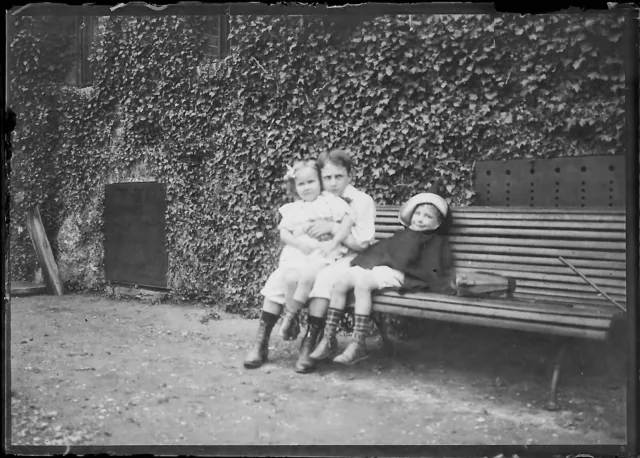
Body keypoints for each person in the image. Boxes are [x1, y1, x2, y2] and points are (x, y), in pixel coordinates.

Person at [309, 192, 456, 365]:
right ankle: (328, 338)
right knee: (341, 281)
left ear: (437, 223)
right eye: (418, 213)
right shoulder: (402, 235)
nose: (420, 219)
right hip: (381, 269)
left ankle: (358, 344)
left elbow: (432, 267)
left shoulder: (435, 241)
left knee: (364, 284)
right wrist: (370, 262)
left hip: (401, 274)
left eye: (428, 216)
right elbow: (382, 252)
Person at [243, 159, 355, 369]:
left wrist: (333, 237)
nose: (307, 187)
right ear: (294, 187)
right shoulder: (294, 208)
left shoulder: (330, 201)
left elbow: (347, 221)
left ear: (319, 182)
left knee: (316, 278)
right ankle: (262, 341)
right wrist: (298, 243)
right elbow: (285, 233)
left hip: (322, 256)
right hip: (298, 254)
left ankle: (308, 343)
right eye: (301, 184)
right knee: (280, 278)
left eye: (311, 182)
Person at [292, 149, 376, 373]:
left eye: (339, 176)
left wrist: (332, 228)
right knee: (295, 273)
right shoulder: (319, 199)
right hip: (323, 254)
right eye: (327, 177)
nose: (333, 183)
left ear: (349, 175)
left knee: (324, 278)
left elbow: (362, 244)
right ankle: (300, 333)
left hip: (354, 258)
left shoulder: (362, 201)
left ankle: (313, 341)